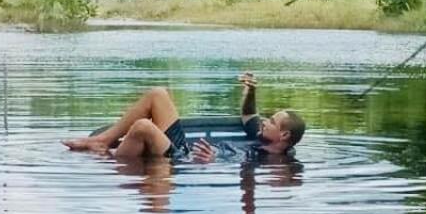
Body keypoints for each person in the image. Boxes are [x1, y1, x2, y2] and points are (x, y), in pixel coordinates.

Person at [62, 73, 306, 162]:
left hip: (184, 157)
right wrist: (251, 91)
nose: (265, 121)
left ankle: (114, 159)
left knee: (143, 127)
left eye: (272, 122)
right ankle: (104, 141)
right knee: (158, 94)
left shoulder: (270, 161)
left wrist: (215, 159)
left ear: (284, 135)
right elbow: (249, 113)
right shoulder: (259, 135)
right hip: (184, 147)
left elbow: (233, 165)